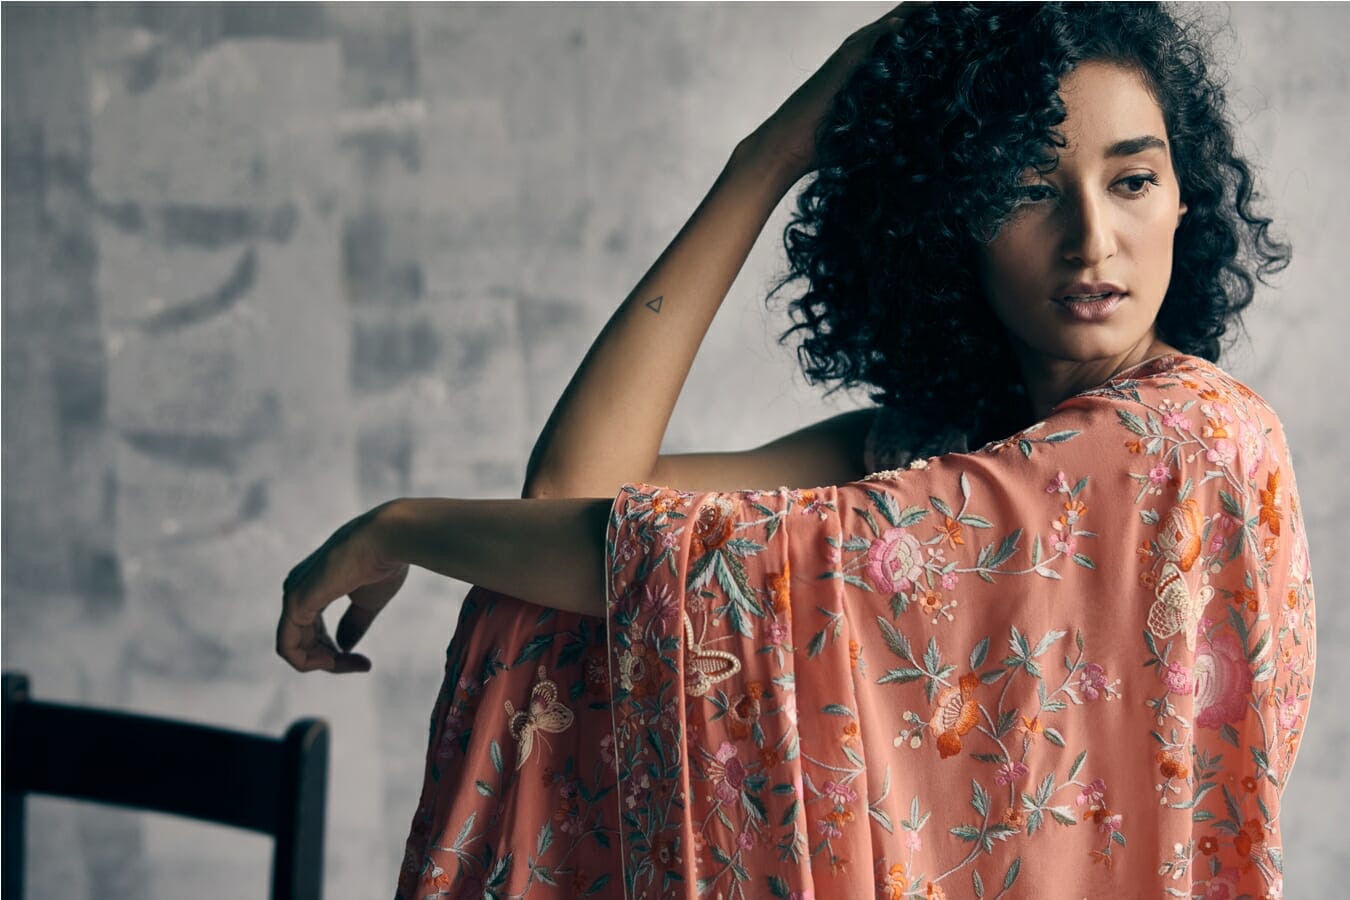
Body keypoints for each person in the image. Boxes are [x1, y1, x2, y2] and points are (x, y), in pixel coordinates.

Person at [276, 3, 1316, 897]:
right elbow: (581, 495)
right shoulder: (948, 443)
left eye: (1132, 181)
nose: (1092, 238)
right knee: (548, 600)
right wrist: (768, 159)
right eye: (1029, 187)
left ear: (1183, 197)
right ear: (952, 220)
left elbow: (712, 566)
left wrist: (399, 527)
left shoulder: (1188, 436)